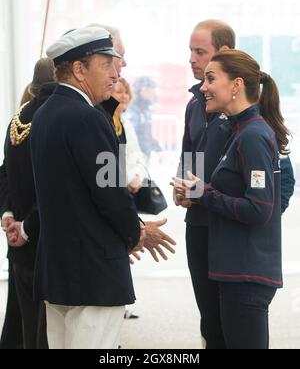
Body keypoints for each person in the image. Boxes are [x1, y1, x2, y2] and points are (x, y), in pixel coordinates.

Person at [174, 19, 295, 349]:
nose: (192, 59)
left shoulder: (253, 125)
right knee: (213, 324)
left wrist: (260, 221)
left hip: (238, 244)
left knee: (238, 329)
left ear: (223, 55)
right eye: (190, 51)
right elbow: (191, 156)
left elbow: (277, 185)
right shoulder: (196, 107)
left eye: (200, 52)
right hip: (203, 226)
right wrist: (186, 188)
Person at [30, 26, 150, 350]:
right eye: (106, 64)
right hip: (94, 273)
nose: (115, 74)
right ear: (79, 69)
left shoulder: (45, 113)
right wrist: (135, 232)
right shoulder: (88, 118)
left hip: (59, 272)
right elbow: (111, 194)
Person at [91, 23, 176, 263]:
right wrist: (135, 231)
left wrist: (195, 193)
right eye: (118, 57)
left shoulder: (115, 120)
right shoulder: (96, 117)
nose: (123, 65)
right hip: (95, 246)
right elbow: (106, 184)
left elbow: (136, 156)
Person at [0, 58, 55, 349]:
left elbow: (4, 173)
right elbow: (54, 188)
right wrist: (27, 227)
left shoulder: (17, 120)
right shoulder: (55, 121)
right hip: (47, 244)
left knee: (27, 328)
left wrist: (8, 214)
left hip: (19, 246)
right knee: (47, 335)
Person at [126, 76, 161, 164]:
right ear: (140, 91)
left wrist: (152, 143)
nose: (152, 93)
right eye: (149, 90)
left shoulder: (145, 110)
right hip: (135, 158)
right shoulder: (132, 110)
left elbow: (144, 132)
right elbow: (131, 135)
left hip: (144, 154)